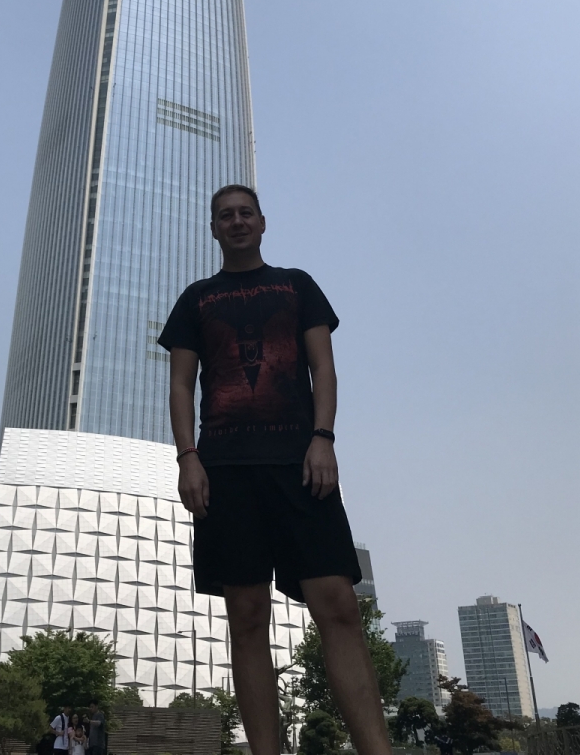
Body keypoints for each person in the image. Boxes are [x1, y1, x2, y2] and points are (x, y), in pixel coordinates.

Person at [160, 184, 392, 755]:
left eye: (246, 213)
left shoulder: (296, 285)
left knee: (338, 604)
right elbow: (180, 385)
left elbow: (323, 368)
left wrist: (323, 438)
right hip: (225, 469)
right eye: (225, 216)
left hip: (300, 463)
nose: (237, 222)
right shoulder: (196, 299)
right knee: (245, 615)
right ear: (213, 229)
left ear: (263, 223)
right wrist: (188, 458)